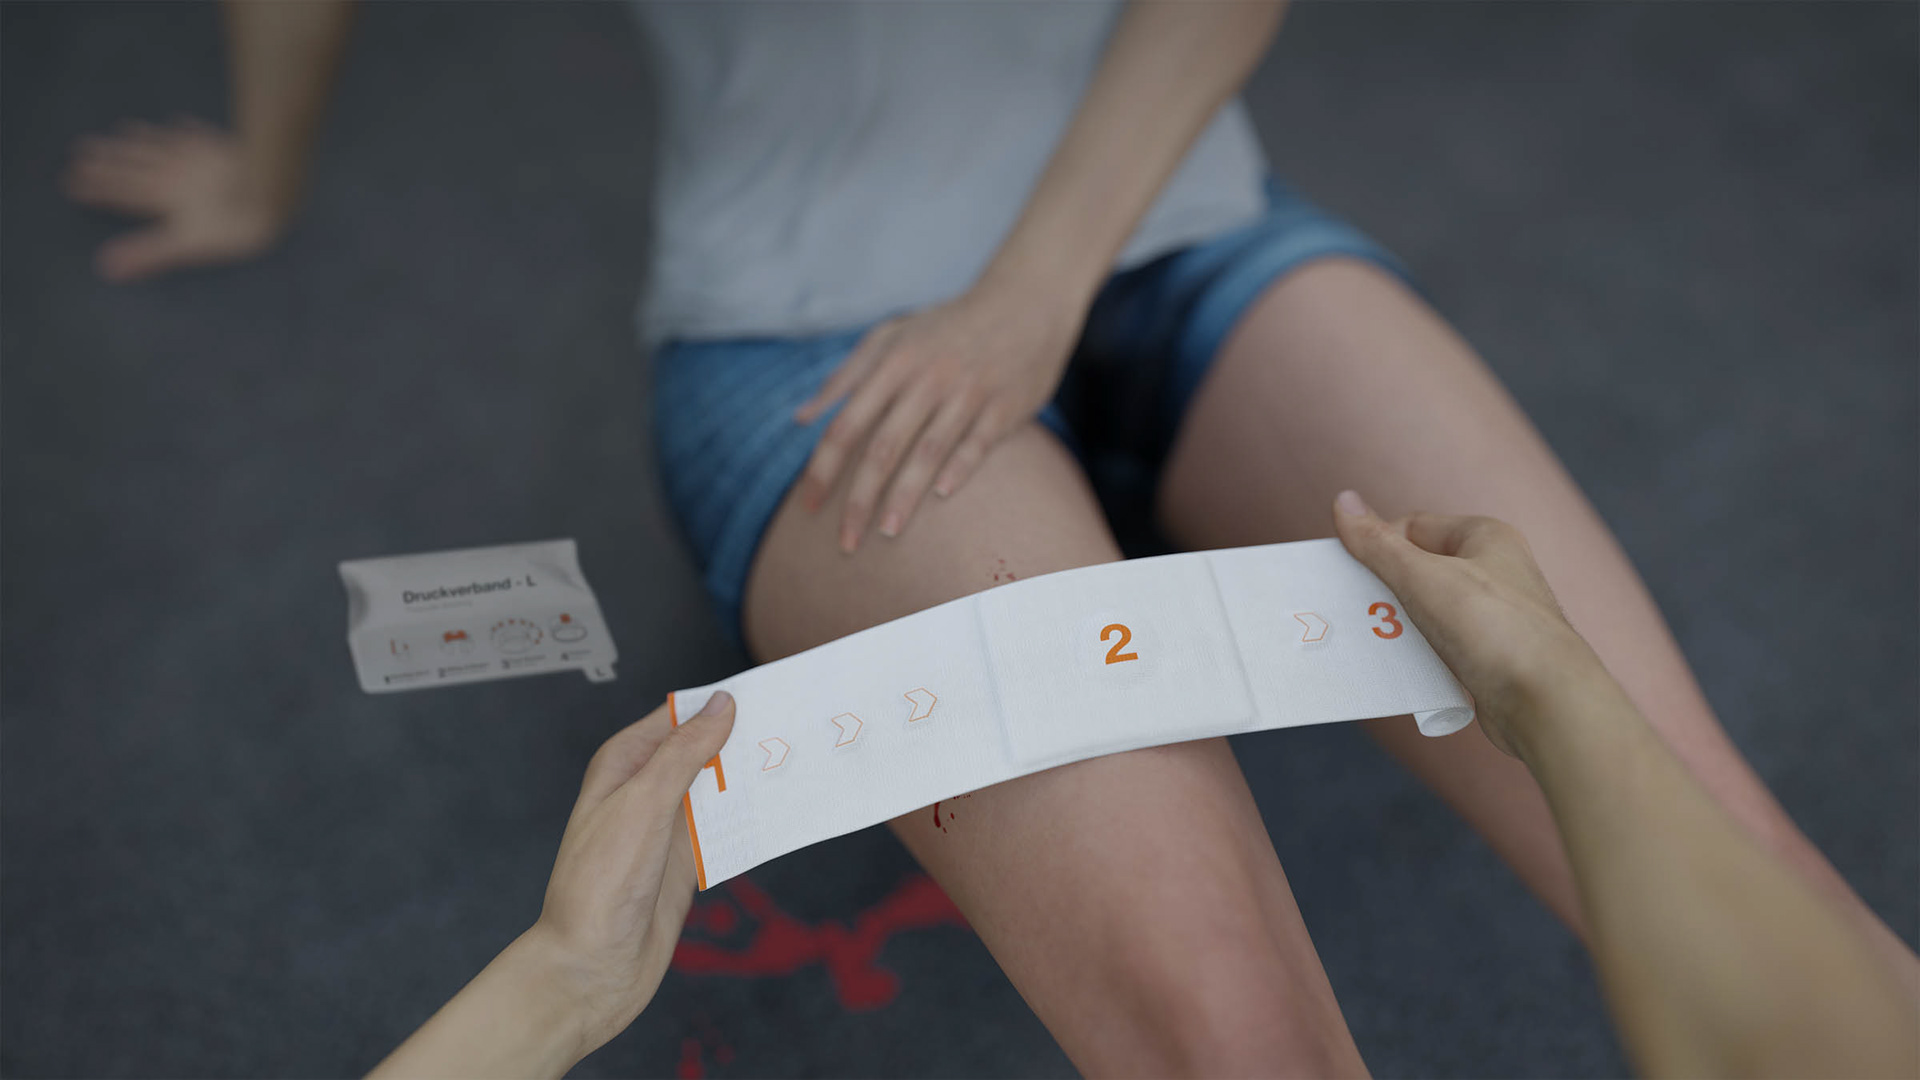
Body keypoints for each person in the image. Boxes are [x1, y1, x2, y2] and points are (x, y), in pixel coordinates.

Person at [68, 2, 1917, 1071]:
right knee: (1236, 1042)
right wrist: (264, 164)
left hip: (1186, 224)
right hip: (808, 338)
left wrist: (1033, 295)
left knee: (1736, 850)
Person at [367, 498, 1918, 1079]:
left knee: (1763, 869)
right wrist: (1547, 694)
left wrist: (564, 983)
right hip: (844, 348)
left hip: (1155, 245)